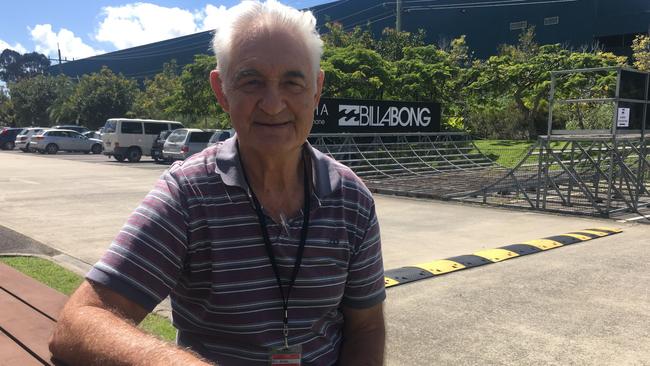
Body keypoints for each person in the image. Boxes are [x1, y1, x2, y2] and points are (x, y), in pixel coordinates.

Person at [49, 1, 386, 364]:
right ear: (222, 90)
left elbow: (366, 328)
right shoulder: (187, 195)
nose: (273, 104)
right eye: (251, 80)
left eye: (293, 81)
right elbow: (78, 321)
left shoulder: (352, 200)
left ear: (316, 89)